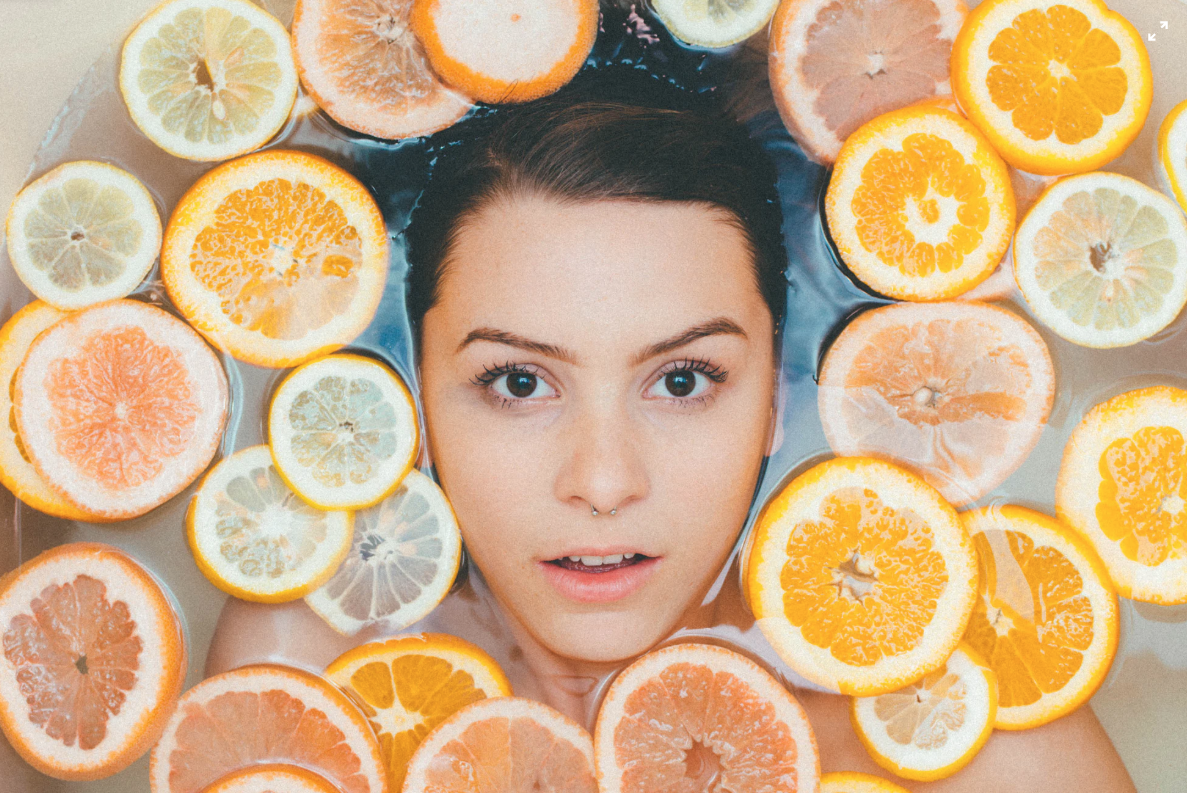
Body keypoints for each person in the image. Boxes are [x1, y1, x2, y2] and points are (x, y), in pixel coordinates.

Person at [208, 69, 1134, 790]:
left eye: (683, 379)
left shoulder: (959, 731)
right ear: (414, 405)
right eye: (518, 381)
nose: (603, 480)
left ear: (775, 398)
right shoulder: (314, 685)